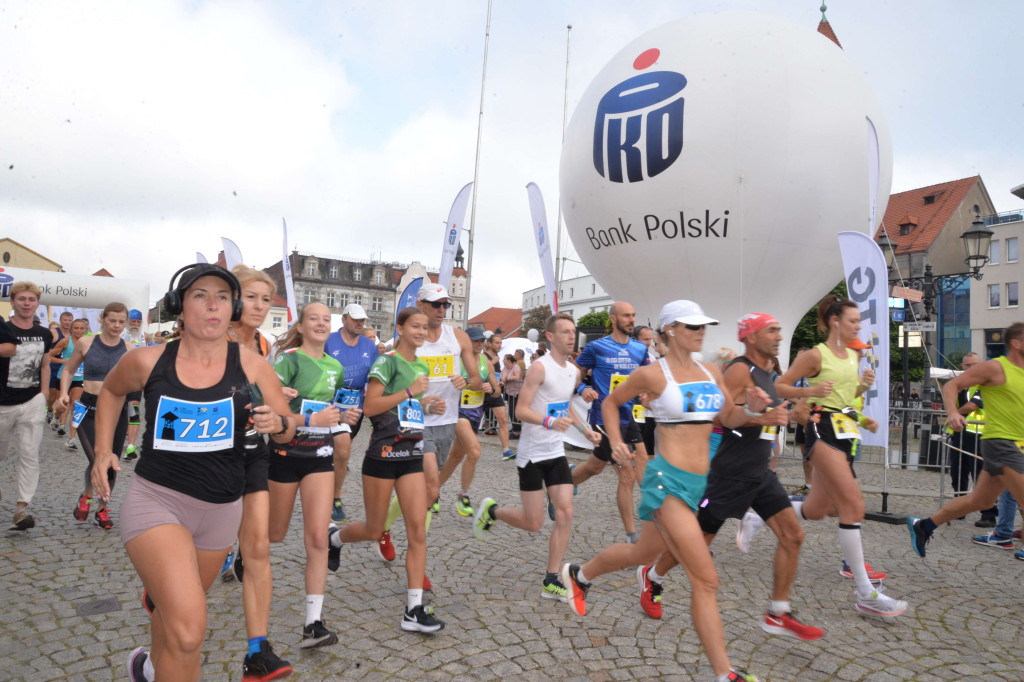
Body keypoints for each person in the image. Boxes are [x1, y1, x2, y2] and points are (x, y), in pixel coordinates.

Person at [89, 264, 297, 682]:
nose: (212, 305)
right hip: (158, 502)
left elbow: (288, 426)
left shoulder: (253, 366)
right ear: (179, 307)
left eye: (221, 296)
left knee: (172, 620)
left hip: (221, 511)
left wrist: (279, 424)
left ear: (233, 307)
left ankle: (147, 668)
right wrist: (101, 452)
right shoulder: (147, 360)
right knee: (189, 631)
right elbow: (111, 392)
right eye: (199, 295)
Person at [559, 301, 770, 682]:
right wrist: (618, 441)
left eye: (704, 325)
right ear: (670, 329)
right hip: (665, 480)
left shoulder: (711, 371)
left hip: (698, 485)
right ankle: (726, 673)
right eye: (692, 326)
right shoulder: (653, 375)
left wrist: (752, 411)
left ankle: (579, 575)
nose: (701, 331)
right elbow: (610, 402)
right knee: (705, 578)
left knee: (642, 552)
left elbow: (727, 417)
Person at [642, 313, 822, 638]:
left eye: (780, 330)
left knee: (793, 536)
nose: (779, 336)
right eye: (772, 330)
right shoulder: (740, 369)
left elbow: (769, 414)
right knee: (697, 541)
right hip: (730, 473)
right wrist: (766, 415)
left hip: (760, 472)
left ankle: (778, 612)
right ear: (751, 337)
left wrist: (791, 411)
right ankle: (653, 576)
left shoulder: (768, 372)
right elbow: (723, 417)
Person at [776, 295, 907, 619]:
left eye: (858, 321)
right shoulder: (814, 356)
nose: (858, 326)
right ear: (835, 322)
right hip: (821, 431)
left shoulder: (852, 354)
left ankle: (756, 514)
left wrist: (862, 394)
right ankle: (866, 593)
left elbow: (844, 401)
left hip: (846, 431)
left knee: (819, 509)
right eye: (853, 321)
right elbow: (781, 386)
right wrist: (808, 393)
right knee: (853, 504)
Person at [328, 307, 445, 632]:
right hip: (382, 453)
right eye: (415, 326)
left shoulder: (421, 366)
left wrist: (426, 406)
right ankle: (335, 538)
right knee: (374, 529)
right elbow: (371, 406)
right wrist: (411, 392)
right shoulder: (387, 362)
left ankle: (414, 609)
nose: (421, 331)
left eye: (425, 326)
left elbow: (406, 408)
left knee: (417, 532)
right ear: (401, 328)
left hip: (411, 452)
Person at [473, 313, 601, 601]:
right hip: (532, 455)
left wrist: (586, 430)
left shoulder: (572, 371)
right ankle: (492, 511)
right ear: (551, 337)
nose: (571, 336)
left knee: (565, 512)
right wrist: (548, 422)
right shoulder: (539, 369)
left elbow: (565, 405)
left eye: (573, 331)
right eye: (565, 332)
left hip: (555, 452)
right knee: (533, 523)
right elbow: (521, 411)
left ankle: (551, 578)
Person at [268, 302, 360, 649]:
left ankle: (313, 623)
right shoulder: (288, 359)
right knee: (274, 534)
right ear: (302, 326)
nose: (321, 323)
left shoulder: (335, 366)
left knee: (318, 538)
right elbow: (266, 401)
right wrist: (281, 397)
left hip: (319, 454)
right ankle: (242, 551)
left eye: (326, 319)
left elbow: (328, 413)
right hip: (285, 452)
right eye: (314, 319)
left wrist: (344, 417)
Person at [377, 283, 481, 573]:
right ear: (420, 304)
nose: (440, 309)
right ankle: (418, 565)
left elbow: (477, 379)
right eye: (435, 304)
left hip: (446, 423)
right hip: (415, 423)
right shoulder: (409, 341)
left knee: (428, 492)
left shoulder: (457, 337)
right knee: (433, 488)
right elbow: (394, 384)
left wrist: (466, 382)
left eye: (444, 304)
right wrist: (420, 403)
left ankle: (382, 527)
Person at [222, 264, 293, 681]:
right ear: (232, 298)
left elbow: (262, 395)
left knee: (258, 551)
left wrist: (276, 404)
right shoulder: (208, 338)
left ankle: (257, 652)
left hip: (252, 453)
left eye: (266, 300)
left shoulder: (265, 344)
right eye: (251, 297)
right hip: (205, 461)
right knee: (202, 557)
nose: (260, 306)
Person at [908, 321, 1024, 560]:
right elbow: (953, 385)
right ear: (1016, 343)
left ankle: (925, 526)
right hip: (1001, 443)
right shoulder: (995, 368)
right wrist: (952, 413)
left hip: (1016, 444)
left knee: (980, 500)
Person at [571, 302, 650, 543]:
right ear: (614, 319)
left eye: (633, 315)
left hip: (628, 415)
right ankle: (632, 536)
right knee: (626, 474)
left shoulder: (639, 349)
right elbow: (574, 371)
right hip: (603, 418)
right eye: (627, 315)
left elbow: (648, 377)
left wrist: (648, 393)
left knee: (597, 466)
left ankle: (566, 480)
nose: (631, 319)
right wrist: (583, 387)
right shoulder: (597, 347)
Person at [55, 307, 129, 530]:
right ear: (102, 319)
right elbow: (68, 370)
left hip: (117, 411)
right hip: (87, 407)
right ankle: (86, 496)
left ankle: (101, 508)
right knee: (96, 459)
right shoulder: (86, 343)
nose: (117, 326)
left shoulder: (130, 350)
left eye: (121, 322)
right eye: (113, 320)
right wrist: (63, 393)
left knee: (111, 463)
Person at [0, 281, 52, 530]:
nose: (27, 303)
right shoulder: (4, 330)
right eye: (21, 299)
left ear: (37, 304)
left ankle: (22, 509)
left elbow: (45, 365)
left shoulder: (44, 334)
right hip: (3, 402)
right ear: (13, 302)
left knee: (29, 455)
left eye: (31, 299)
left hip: (32, 400)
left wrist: (43, 394)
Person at [325, 302, 379, 524]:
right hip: (329, 401)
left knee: (340, 450)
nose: (360, 323)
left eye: (362, 320)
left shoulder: (369, 345)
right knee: (342, 450)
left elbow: (376, 375)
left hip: (355, 404)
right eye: (355, 319)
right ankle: (334, 500)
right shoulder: (328, 341)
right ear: (344, 319)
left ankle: (328, 486)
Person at [437, 326, 499, 516]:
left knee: (456, 457)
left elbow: (497, 392)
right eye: (476, 341)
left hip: (475, 414)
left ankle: (433, 491)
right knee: (474, 451)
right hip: (457, 411)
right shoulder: (457, 359)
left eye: (482, 341)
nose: (480, 344)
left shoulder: (485, 361)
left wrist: (490, 387)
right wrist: (463, 382)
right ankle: (464, 496)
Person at [943, 352, 996, 526]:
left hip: (979, 435)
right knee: (958, 472)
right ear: (962, 367)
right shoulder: (961, 385)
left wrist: (952, 414)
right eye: (968, 365)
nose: (971, 368)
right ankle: (960, 508)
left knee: (981, 475)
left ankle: (988, 514)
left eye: (974, 365)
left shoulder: (984, 384)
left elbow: (972, 406)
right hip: (959, 433)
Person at [49, 318, 88, 448]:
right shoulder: (66, 341)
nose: (79, 330)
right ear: (71, 329)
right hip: (64, 377)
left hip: (79, 379)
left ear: (85, 329)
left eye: (82, 328)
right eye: (76, 328)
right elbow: (49, 356)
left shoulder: (89, 343)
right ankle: (57, 416)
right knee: (62, 404)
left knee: (75, 406)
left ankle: (72, 438)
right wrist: (63, 361)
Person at [121, 309, 150, 462]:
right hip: (118, 378)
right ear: (128, 321)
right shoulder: (120, 335)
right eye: (133, 321)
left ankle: (131, 445)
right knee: (118, 411)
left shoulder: (143, 336)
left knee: (134, 409)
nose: (136, 324)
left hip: (136, 379)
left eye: (139, 322)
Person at [482, 332, 514, 460]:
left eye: (500, 343)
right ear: (489, 343)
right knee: (472, 422)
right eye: (496, 342)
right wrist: (491, 362)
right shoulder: (483, 356)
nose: (499, 345)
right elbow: (479, 372)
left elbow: (495, 373)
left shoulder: (498, 358)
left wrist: (500, 380)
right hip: (482, 392)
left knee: (503, 419)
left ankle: (506, 450)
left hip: (495, 392)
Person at [46, 311, 73, 428]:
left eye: (69, 320)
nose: (67, 322)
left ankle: (58, 417)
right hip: (54, 366)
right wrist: (62, 361)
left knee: (65, 395)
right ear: (61, 321)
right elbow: (47, 354)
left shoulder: (74, 333)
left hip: (69, 369)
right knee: (52, 397)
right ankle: (50, 410)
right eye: (65, 320)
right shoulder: (54, 333)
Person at [499, 353, 523, 446]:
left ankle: (518, 432)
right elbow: (501, 375)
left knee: (515, 412)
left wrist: (506, 379)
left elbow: (517, 377)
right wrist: (502, 379)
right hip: (509, 392)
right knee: (511, 411)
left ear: (508, 360)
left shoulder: (515, 367)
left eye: (504, 359)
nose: (503, 361)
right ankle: (515, 429)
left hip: (517, 393)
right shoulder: (505, 368)